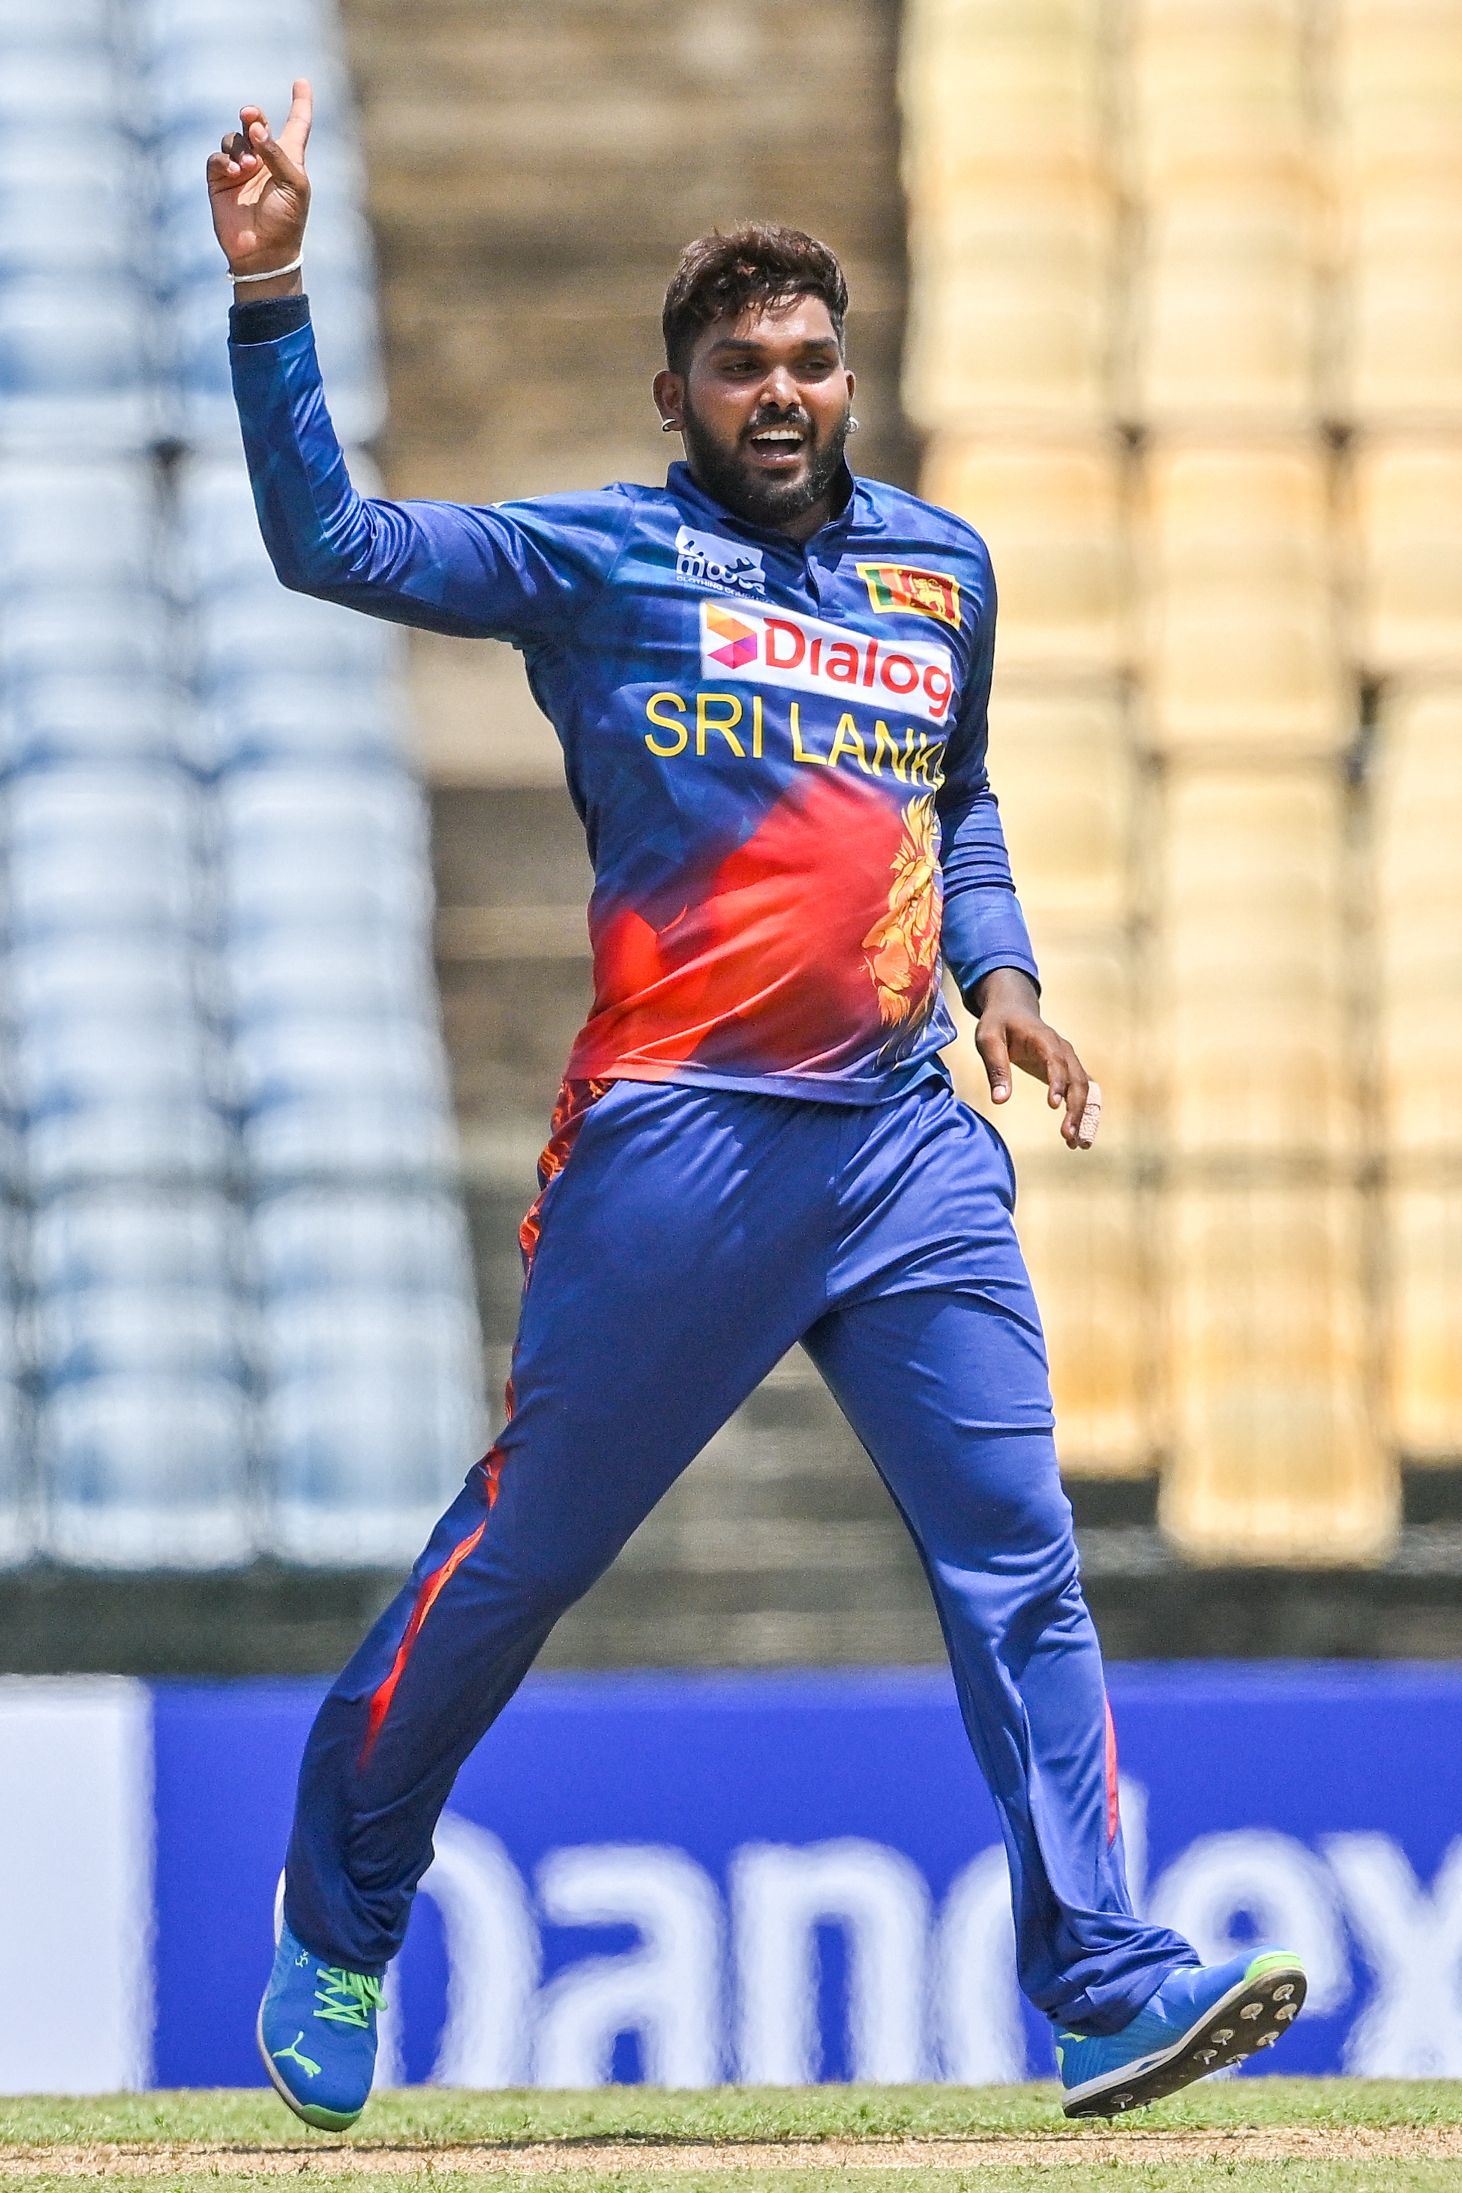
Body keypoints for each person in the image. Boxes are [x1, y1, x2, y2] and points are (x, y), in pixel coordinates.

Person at [210, 82, 1306, 2129]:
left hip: (901, 1141)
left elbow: (953, 799)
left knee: (1020, 1559)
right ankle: (338, 1917)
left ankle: (1100, 1980)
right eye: (739, 366)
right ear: (678, 394)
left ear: (848, 376)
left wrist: (1000, 982)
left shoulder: (941, 572)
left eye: (808, 358)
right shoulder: (600, 559)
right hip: (680, 1140)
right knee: (524, 1556)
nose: (779, 391)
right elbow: (329, 542)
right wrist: (270, 295)